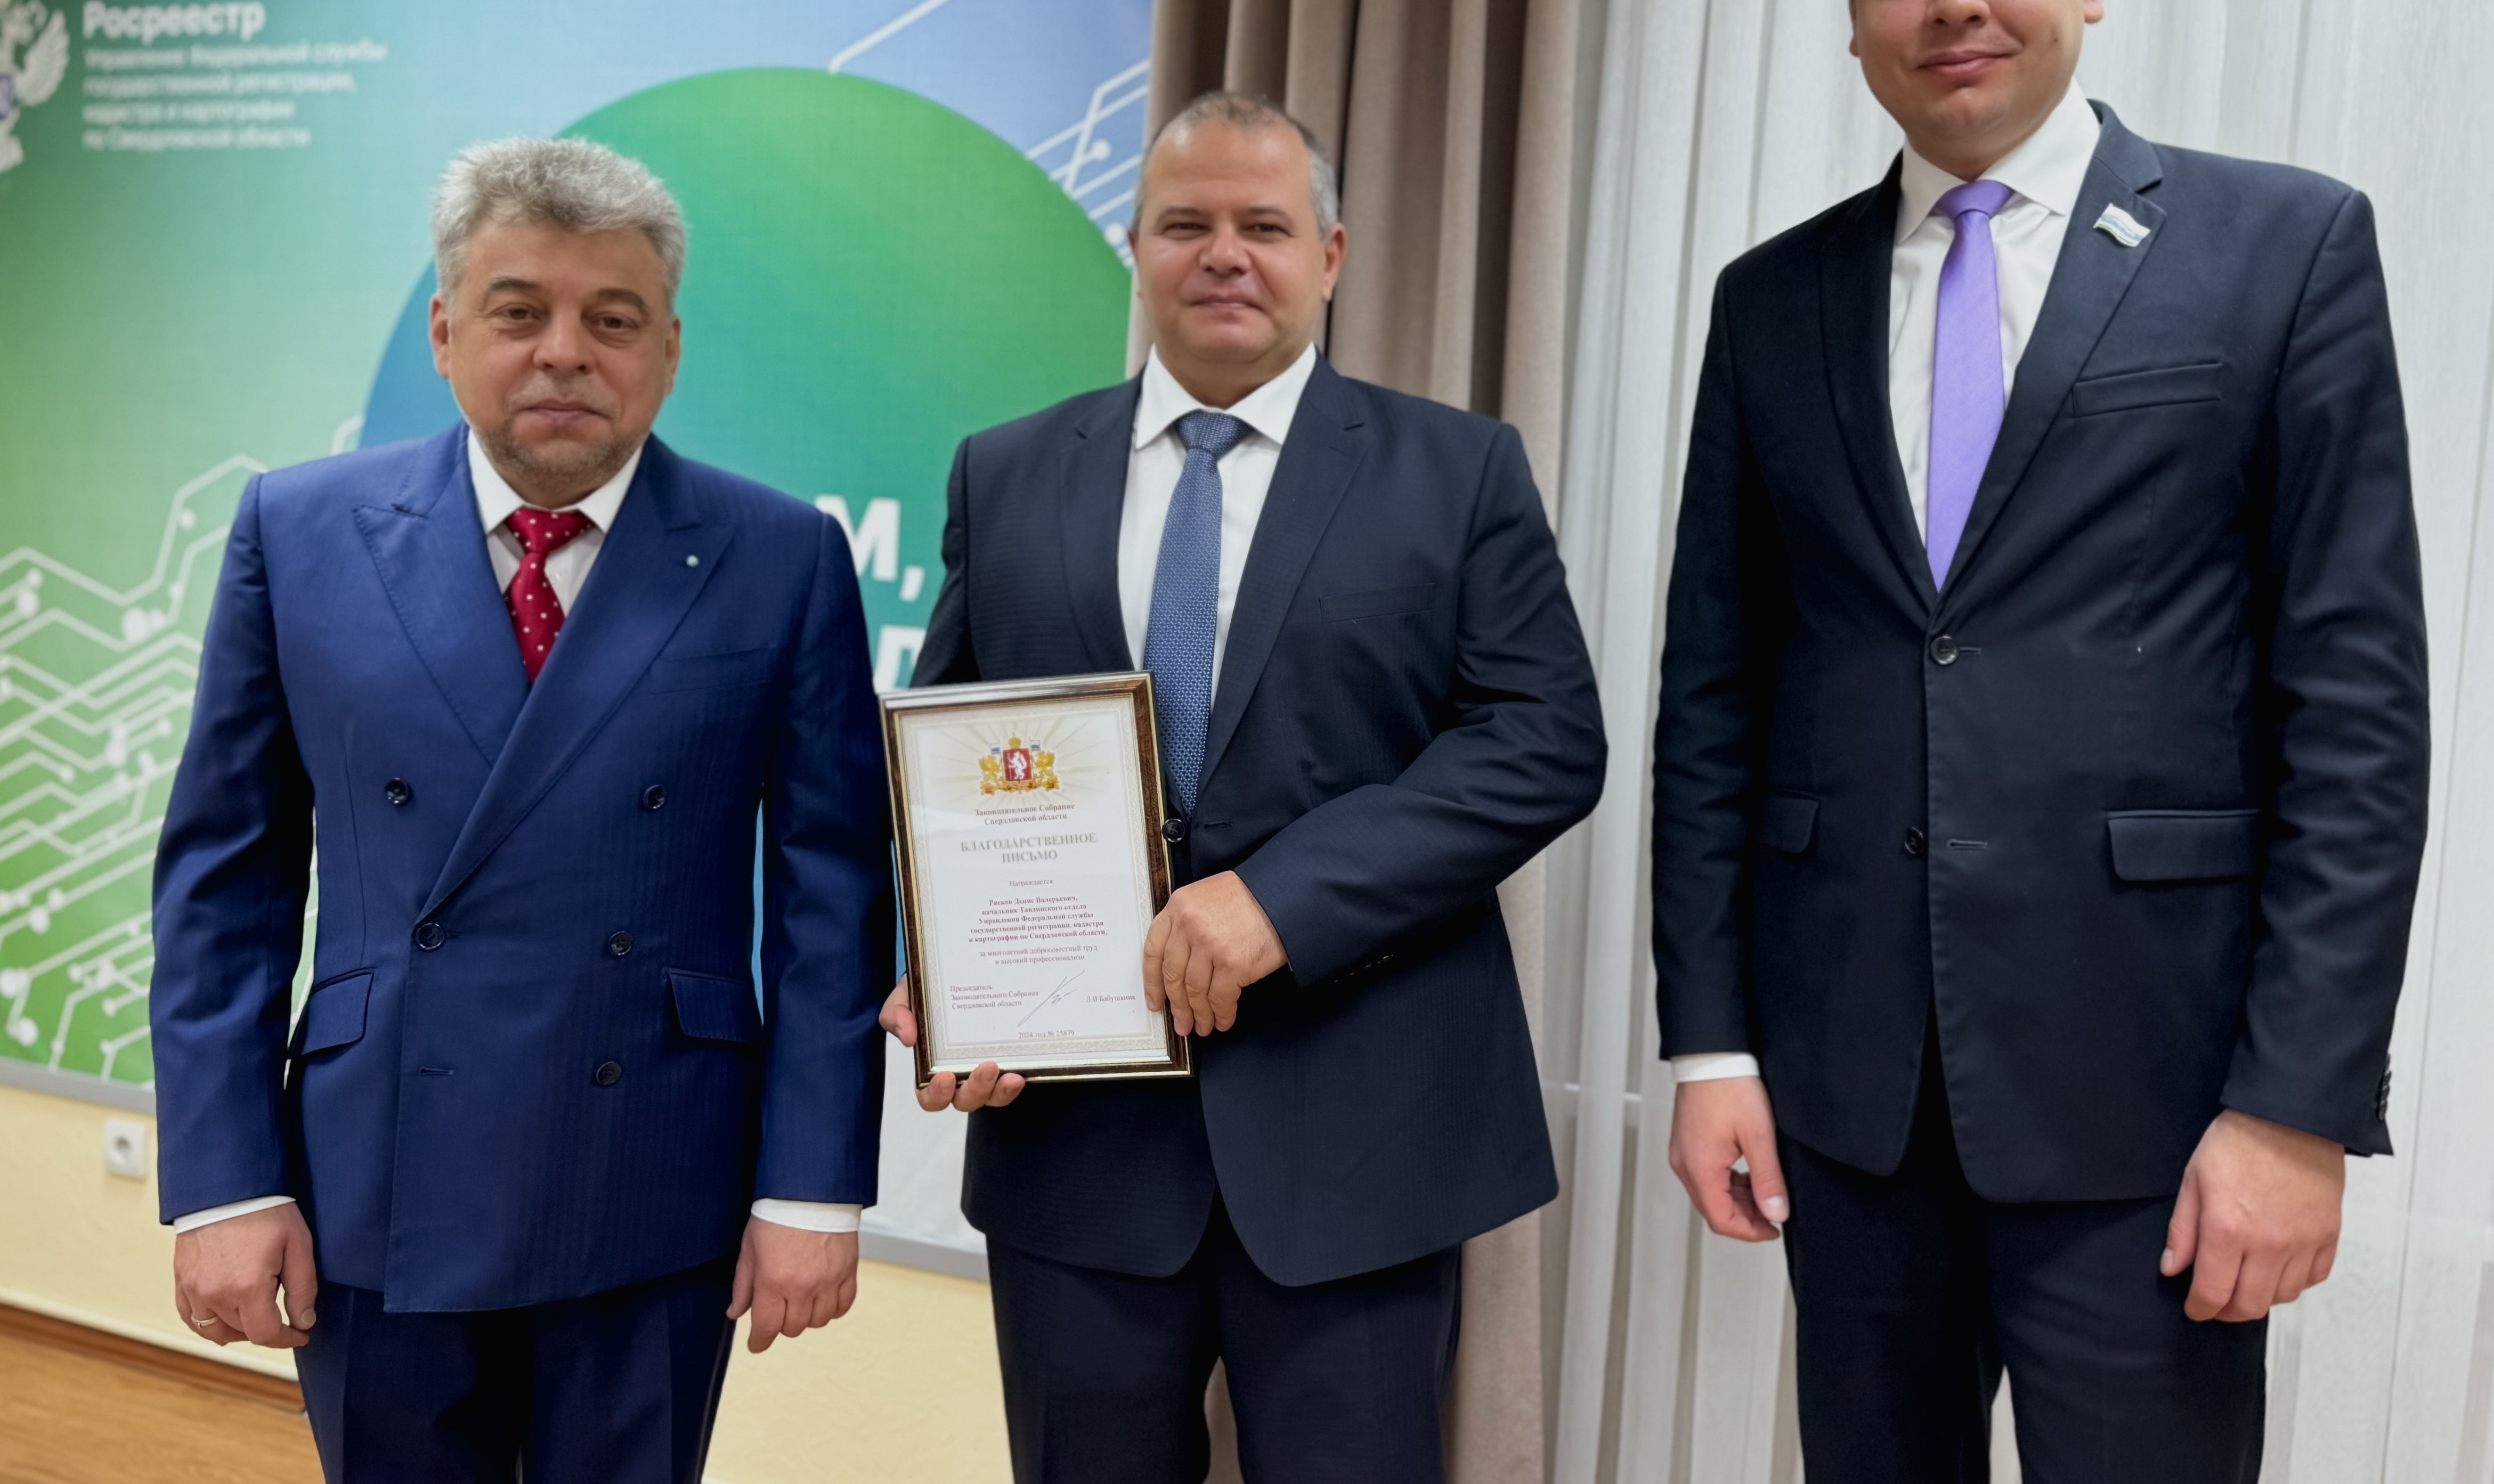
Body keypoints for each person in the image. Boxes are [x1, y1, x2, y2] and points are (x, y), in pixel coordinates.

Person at [1650, 0, 2430, 1481]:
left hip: (2157, 1101)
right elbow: (1715, 696)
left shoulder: (2281, 248)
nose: (1955, 2)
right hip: (1850, 1100)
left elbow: (2357, 713)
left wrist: (2295, 1102)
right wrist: (1710, 1043)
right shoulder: (1770, 301)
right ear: (1854, 14)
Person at [881, 93, 1605, 1483]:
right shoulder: (1007, 470)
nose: (1224, 253)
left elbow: (1542, 739)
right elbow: (949, 763)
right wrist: (943, 965)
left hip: (1363, 1140)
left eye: (1263, 226)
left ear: (1328, 256)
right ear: (1137, 249)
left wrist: (1284, 900)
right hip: (1077, 1149)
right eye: (1186, 224)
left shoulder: (1458, 471)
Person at [150, 137, 892, 1483]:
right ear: (446, 333)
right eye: (518, 311)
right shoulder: (296, 532)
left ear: (668, 349)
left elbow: (832, 899)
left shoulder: (781, 555)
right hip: (377, 1171)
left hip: (655, 1170)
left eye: (612, 319)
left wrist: (812, 1186)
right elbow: (226, 882)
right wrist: (225, 1180)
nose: (564, 353)